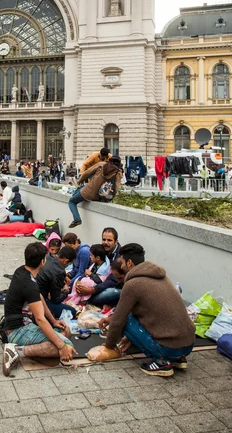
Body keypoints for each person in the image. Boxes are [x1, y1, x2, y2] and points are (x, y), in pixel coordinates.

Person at [104, 243, 196, 377]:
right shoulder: (162, 277)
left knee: (125, 318)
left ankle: (162, 363)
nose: (122, 266)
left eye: (122, 263)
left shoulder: (132, 284)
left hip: (168, 349)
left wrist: (109, 345)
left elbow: (118, 320)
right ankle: (178, 359)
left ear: (129, 263)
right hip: (189, 345)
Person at [2, 242, 76, 376]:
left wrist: (53, 321)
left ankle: (36, 351)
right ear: (42, 261)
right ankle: (16, 351)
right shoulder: (29, 284)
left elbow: (39, 297)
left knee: (65, 331)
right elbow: (40, 319)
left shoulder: (22, 271)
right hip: (17, 329)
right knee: (67, 345)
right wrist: (62, 346)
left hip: (21, 324)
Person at [76, 227, 122, 307]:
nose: (105, 242)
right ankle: (86, 297)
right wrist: (79, 281)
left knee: (113, 292)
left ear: (116, 242)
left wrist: (91, 290)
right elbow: (90, 269)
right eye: (104, 239)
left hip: (108, 286)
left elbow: (112, 281)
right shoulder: (101, 249)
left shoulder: (119, 257)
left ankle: (88, 299)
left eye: (109, 240)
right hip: (95, 284)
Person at [68, 160, 121, 227]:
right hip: (100, 196)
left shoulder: (101, 165)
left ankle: (77, 219)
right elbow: (116, 188)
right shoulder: (118, 173)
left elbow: (87, 173)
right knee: (81, 188)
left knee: (71, 201)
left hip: (88, 192)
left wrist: (79, 181)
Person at [37, 246, 77, 318]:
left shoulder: (49, 256)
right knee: (72, 311)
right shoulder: (59, 272)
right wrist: (65, 290)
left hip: (33, 290)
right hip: (37, 299)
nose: (68, 265)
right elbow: (56, 299)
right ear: (65, 261)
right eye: (69, 263)